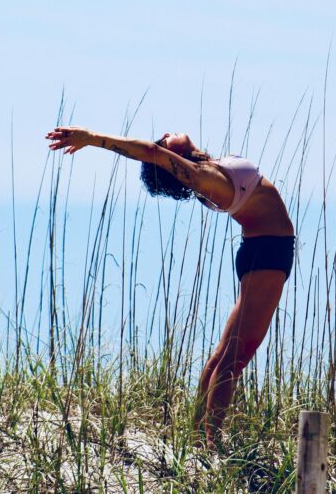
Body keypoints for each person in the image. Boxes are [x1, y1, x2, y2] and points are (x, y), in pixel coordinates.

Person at [44, 126, 295, 445]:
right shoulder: (201, 178)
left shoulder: (206, 170)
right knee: (235, 357)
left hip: (260, 251)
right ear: (170, 160)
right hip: (269, 253)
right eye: (163, 143)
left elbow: (156, 153)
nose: (162, 136)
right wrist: (93, 139)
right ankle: (211, 442)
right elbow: (150, 152)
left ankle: (198, 438)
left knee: (222, 355)